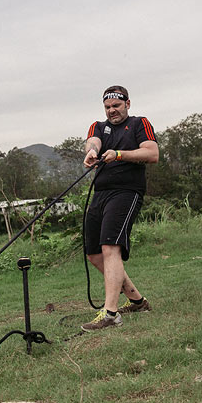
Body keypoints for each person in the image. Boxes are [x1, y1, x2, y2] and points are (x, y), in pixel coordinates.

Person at [80, 85, 159, 331]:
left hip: (127, 191)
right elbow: (92, 141)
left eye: (116, 105)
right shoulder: (98, 127)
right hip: (101, 193)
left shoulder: (139, 123)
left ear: (127, 103)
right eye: (107, 107)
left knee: (110, 246)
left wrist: (119, 154)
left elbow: (152, 152)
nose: (112, 110)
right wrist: (92, 152)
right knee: (94, 253)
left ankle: (111, 313)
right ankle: (136, 300)